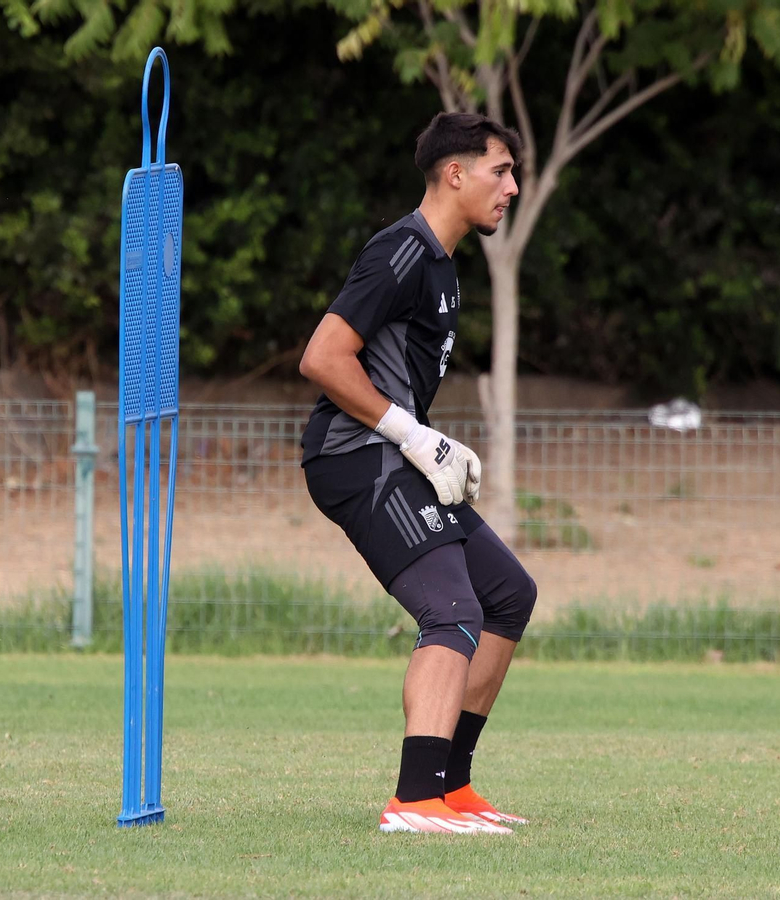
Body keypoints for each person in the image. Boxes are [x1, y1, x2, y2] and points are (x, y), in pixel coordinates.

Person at [298, 112, 537, 834]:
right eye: (501, 170)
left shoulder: (441, 264)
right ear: (454, 173)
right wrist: (414, 437)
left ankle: (451, 788)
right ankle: (413, 799)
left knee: (506, 595)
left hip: (390, 454)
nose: (513, 187)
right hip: (355, 458)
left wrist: (428, 444)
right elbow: (322, 357)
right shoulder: (400, 252)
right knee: (453, 611)